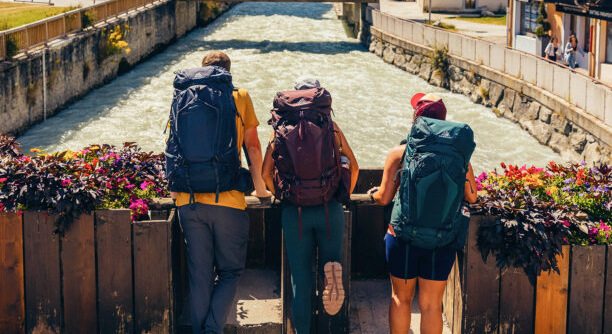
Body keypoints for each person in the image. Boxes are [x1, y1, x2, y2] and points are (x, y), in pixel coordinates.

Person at [169, 51, 270, 334]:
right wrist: (260, 188)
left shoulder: (183, 95)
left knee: (199, 276)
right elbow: (252, 147)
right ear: (228, 72)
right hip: (228, 200)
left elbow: (172, 144)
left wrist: (175, 190)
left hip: (188, 200)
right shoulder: (239, 96)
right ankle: (212, 330)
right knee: (230, 272)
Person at [368, 93, 477, 334]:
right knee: (431, 306)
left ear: (415, 119)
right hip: (443, 239)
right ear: (444, 120)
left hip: (404, 237)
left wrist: (372, 194)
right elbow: (472, 196)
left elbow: (384, 198)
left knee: (400, 299)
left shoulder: (400, 153)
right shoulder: (459, 155)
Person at [262, 78, 359, 334]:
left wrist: (281, 194)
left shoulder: (279, 129)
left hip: (296, 213)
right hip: (330, 210)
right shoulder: (332, 127)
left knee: (301, 281)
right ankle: (332, 320)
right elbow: (354, 165)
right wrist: (341, 194)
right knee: (331, 265)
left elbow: (265, 174)